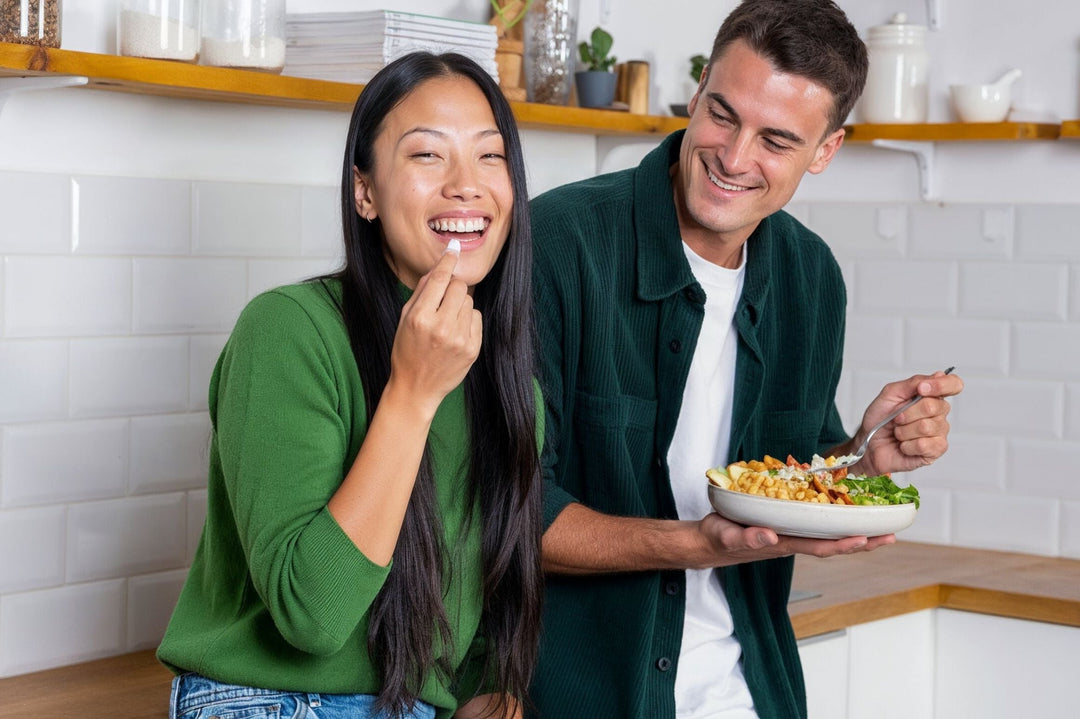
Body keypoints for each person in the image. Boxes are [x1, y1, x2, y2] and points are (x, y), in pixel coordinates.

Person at [526, 1, 964, 718]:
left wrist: (861, 458)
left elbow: (797, 478)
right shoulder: (558, 243)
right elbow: (507, 516)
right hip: (583, 697)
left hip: (752, 693)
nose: (733, 158)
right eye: (723, 115)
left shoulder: (810, 276)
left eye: (776, 140)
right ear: (698, 91)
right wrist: (696, 543)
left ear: (825, 150)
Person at [157, 52, 543, 719]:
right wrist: (412, 394)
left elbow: (468, 627)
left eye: (490, 156)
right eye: (428, 155)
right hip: (270, 699)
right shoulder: (288, 330)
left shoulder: (510, 388)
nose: (466, 185)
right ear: (365, 192)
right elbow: (312, 614)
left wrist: (491, 697)